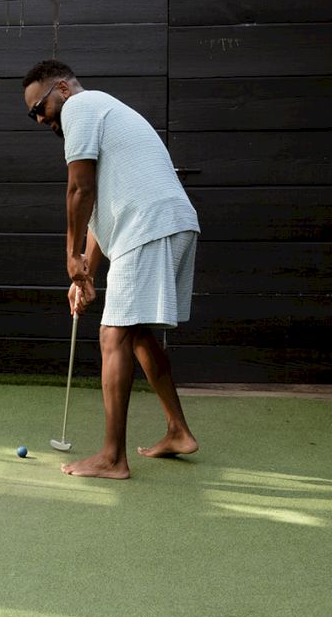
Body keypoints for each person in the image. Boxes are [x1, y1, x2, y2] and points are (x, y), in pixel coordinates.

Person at [22, 59, 200, 479]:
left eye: (40, 108)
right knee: (135, 332)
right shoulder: (105, 112)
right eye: (32, 115)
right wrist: (86, 272)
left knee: (112, 333)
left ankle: (112, 458)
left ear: (62, 89)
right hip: (167, 223)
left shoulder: (80, 108)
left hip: (150, 226)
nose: (40, 119)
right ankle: (178, 431)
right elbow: (100, 209)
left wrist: (69, 255)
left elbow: (79, 190)